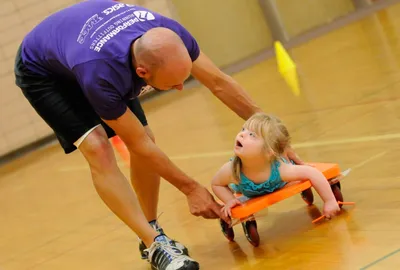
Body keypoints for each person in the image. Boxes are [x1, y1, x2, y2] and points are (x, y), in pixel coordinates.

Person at [14, 1, 303, 269]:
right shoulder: (101, 73)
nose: (180, 87)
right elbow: (134, 143)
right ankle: (155, 245)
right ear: (141, 71)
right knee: (98, 148)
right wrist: (191, 189)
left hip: (87, 51)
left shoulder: (170, 33)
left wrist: (275, 138)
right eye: (174, 83)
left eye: (184, 78)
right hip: (45, 72)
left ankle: (151, 229)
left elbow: (218, 82)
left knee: (148, 137)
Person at [211, 113, 340, 220]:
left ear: (268, 152)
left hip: (280, 178)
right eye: (243, 129)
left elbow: (313, 173)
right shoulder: (232, 169)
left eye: (252, 135)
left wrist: (329, 201)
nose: (242, 134)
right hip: (244, 189)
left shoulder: (280, 169)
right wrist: (229, 200)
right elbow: (216, 183)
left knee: (295, 169)